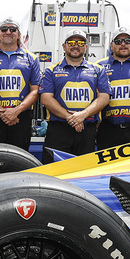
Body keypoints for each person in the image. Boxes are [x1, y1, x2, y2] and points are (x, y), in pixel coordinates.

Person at [38, 29, 110, 164]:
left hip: (86, 130)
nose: (75, 46)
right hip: (59, 129)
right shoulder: (51, 70)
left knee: (84, 173)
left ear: (86, 47)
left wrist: (83, 115)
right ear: (64, 46)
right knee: (53, 172)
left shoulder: (98, 70)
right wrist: (72, 118)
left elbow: (104, 97)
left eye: (80, 42)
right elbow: (46, 99)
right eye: (71, 42)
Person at [0, 18, 40, 151]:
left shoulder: (32, 58)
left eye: (13, 29)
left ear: (19, 35)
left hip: (21, 117)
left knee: (20, 161)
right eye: (4, 29)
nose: (8, 32)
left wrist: (16, 111)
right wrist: (4, 113)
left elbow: (35, 91)